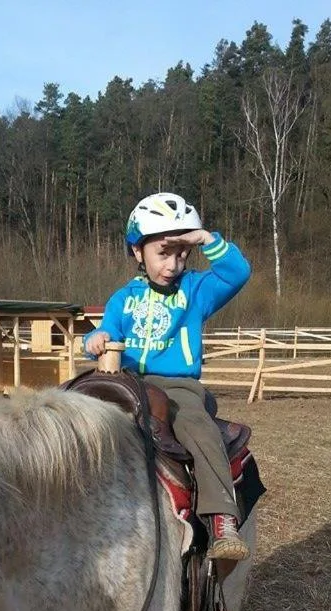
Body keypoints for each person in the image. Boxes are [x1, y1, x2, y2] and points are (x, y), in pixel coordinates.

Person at [84, 192, 252, 561]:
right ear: (138, 252)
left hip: (178, 387)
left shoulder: (196, 291)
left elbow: (237, 273)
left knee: (196, 424)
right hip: (127, 380)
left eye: (180, 253)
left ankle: (223, 518)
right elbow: (104, 332)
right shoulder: (122, 298)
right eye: (163, 252)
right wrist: (94, 340)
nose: (173, 264)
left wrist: (206, 239)